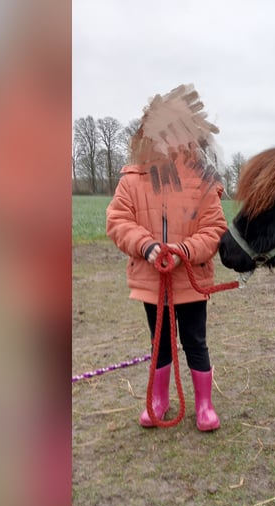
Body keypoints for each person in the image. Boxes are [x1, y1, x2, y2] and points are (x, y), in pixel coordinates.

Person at [106, 124, 227, 432]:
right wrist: (146, 247)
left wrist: (182, 251)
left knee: (195, 341)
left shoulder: (202, 182)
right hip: (151, 280)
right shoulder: (132, 180)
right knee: (159, 341)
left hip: (190, 279)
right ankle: (158, 400)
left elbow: (214, 230)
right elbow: (118, 220)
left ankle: (204, 404)